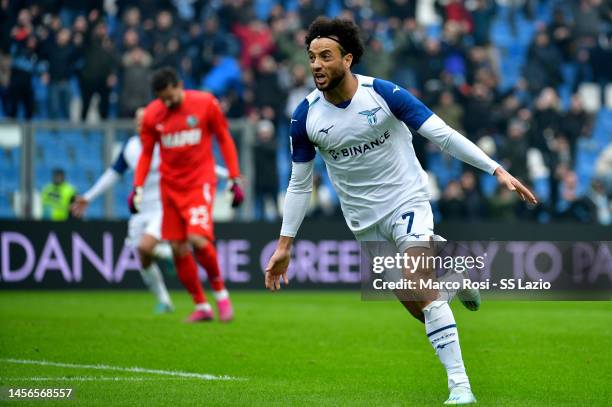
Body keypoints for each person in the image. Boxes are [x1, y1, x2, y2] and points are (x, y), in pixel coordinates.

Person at [264, 17, 537, 405]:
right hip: (364, 223)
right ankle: (455, 275)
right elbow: (298, 183)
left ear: (348, 58)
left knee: (420, 283)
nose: (316, 65)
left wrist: (496, 169)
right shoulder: (305, 117)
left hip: (406, 201)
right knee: (420, 306)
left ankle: (460, 386)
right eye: (311, 57)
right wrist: (284, 244)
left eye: (325, 56)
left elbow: (441, 134)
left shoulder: (384, 94)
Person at [72, 108, 229, 313]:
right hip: (140, 209)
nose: (140, 125)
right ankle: (164, 299)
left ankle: (169, 254)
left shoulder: (166, 142)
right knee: (143, 257)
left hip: (164, 205)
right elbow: (113, 174)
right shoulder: (131, 147)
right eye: (137, 122)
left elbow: (196, 163)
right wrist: (89, 197)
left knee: (145, 246)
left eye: (144, 121)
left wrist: (228, 175)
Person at [132, 67, 244, 323]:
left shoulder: (205, 103)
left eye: (171, 96)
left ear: (179, 85)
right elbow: (147, 153)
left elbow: (224, 138)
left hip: (199, 182)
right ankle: (202, 306)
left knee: (198, 239)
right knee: (177, 247)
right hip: (169, 187)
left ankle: (221, 294)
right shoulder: (152, 115)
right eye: (163, 98)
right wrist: (137, 186)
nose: (168, 102)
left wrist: (234, 177)